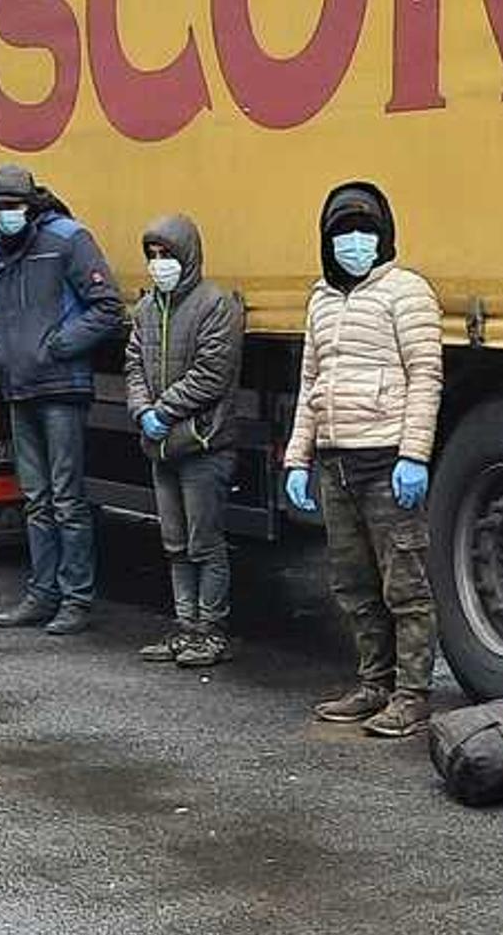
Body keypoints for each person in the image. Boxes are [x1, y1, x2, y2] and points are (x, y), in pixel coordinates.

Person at [283, 181, 445, 739]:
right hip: (335, 460)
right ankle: (374, 684)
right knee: (352, 583)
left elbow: (425, 375)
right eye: (342, 234)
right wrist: (297, 458)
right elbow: (311, 383)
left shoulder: (407, 292)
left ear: (384, 236)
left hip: (384, 458)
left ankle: (412, 695)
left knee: (405, 583)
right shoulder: (321, 299)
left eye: (364, 232)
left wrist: (413, 455)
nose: (353, 242)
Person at [0, 162, 126, 636]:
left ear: (31, 202)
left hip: (62, 387)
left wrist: (58, 346)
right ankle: (42, 593)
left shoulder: (67, 238)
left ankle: (76, 599)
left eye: (11, 206)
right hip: (19, 387)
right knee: (37, 498)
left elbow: (107, 306)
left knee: (66, 498)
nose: (5, 214)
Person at [122, 213, 247, 669]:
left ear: (187, 255)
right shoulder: (146, 308)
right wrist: (141, 412)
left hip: (203, 444)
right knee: (173, 543)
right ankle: (185, 627)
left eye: (167, 255)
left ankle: (211, 630)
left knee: (205, 542)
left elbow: (213, 373)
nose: (159, 264)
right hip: (161, 446)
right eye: (152, 256)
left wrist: (163, 410)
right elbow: (134, 365)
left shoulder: (216, 305)